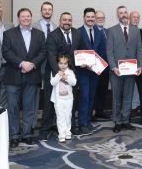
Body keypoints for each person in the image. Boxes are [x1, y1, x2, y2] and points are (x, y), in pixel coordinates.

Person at [2, 8, 46, 148]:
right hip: (13, 75)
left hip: (32, 75)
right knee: (13, 107)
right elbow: (6, 52)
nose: (26, 18)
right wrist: (21, 63)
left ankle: (27, 134)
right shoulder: (9, 33)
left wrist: (32, 64)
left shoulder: (39, 34)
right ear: (18, 18)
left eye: (28, 16)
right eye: (23, 16)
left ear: (31, 18)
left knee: (29, 107)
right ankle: (14, 135)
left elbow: (43, 52)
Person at [39, 12, 83, 141]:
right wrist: (60, 73)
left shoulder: (77, 34)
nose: (67, 22)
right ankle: (45, 129)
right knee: (50, 102)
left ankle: (70, 127)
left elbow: (80, 52)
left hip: (71, 74)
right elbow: (51, 56)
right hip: (54, 73)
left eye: (69, 20)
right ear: (59, 21)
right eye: (64, 20)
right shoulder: (53, 35)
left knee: (70, 100)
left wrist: (85, 61)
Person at [106, 6, 142, 133]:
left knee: (128, 96)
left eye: (125, 12)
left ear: (128, 14)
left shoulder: (135, 31)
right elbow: (109, 52)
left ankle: (126, 120)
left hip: (131, 70)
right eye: (120, 13)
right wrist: (113, 67)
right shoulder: (111, 31)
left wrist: (140, 66)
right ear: (118, 15)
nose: (123, 15)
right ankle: (117, 121)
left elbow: (139, 50)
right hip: (116, 71)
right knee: (116, 97)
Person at [77, 7, 107, 135]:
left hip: (95, 71)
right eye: (88, 17)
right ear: (84, 17)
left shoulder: (99, 32)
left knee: (91, 97)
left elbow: (101, 51)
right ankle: (82, 123)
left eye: (92, 17)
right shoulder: (78, 32)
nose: (90, 19)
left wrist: (100, 65)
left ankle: (88, 121)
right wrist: (80, 63)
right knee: (84, 97)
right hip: (83, 71)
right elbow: (75, 51)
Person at [32, 1, 57, 129]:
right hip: (37, 65)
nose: (47, 11)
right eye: (45, 9)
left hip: (51, 66)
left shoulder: (55, 26)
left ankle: (49, 120)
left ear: (52, 11)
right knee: (35, 94)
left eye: (49, 9)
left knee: (51, 93)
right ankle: (33, 122)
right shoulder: (34, 26)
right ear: (41, 11)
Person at [50, 55, 77, 143]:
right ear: (57, 63)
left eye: (65, 63)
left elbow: (74, 83)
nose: (63, 65)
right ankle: (61, 133)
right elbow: (52, 83)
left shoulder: (70, 72)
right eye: (60, 63)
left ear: (68, 64)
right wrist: (58, 76)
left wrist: (67, 77)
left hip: (68, 99)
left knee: (68, 115)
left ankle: (67, 132)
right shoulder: (54, 72)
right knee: (60, 116)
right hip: (58, 99)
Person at [93, 10, 110, 121]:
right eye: (98, 17)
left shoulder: (107, 31)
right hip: (95, 66)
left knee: (103, 90)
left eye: (102, 17)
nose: (100, 19)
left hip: (106, 66)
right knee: (94, 90)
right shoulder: (92, 31)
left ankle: (100, 111)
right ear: (94, 18)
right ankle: (92, 112)